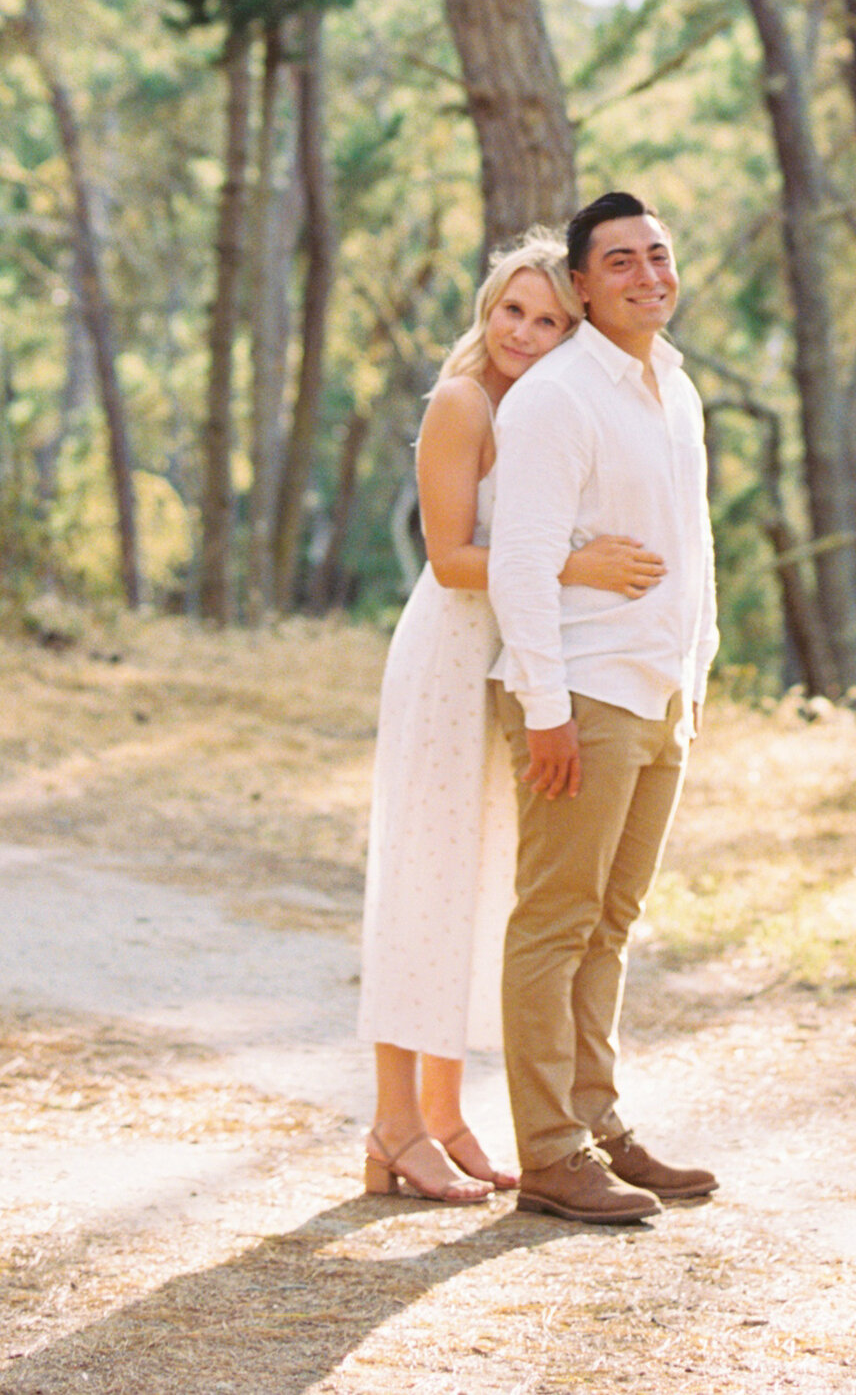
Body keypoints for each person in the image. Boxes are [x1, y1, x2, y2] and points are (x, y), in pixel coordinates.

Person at [358, 230, 667, 1205]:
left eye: (546, 319)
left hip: (506, 656)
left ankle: (445, 1116)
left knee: (477, 883)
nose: (526, 333)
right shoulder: (463, 402)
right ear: (485, 311)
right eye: (510, 312)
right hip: (448, 651)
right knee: (423, 880)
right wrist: (569, 566)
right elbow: (449, 555)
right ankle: (392, 1123)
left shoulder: (545, 409)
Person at [486, 189, 719, 1226]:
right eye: (618, 260)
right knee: (556, 920)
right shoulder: (556, 396)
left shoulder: (673, 387)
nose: (645, 274)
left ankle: (598, 1122)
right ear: (582, 285)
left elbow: (695, 547)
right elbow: (523, 565)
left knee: (611, 922)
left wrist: (695, 676)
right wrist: (544, 708)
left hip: (658, 688)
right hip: (579, 688)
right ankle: (547, 1150)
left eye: (657, 254)